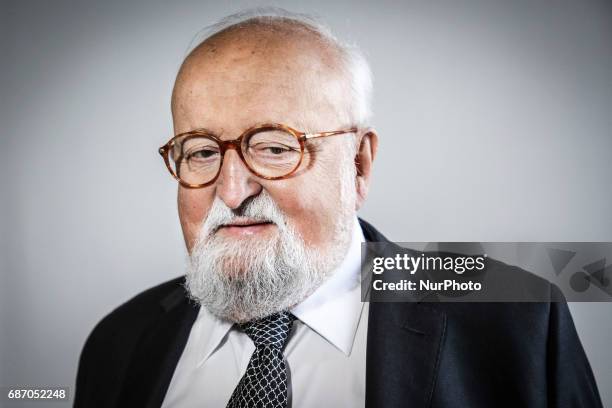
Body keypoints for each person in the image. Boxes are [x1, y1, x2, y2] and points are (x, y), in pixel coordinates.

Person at [74, 9, 602, 408]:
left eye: (276, 147)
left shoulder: (520, 321)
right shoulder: (120, 341)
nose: (232, 192)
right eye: (202, 152)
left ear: (359, 164)